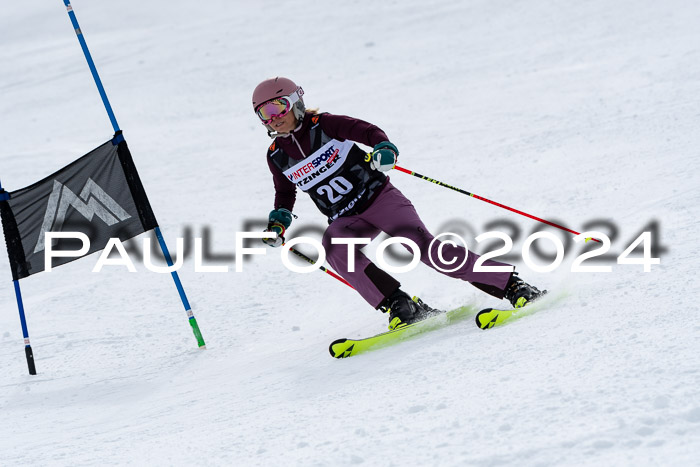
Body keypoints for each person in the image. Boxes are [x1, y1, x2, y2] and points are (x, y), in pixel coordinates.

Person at [254, 77, 545, 330]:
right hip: (346, 218)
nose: (272, 117)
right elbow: (285, 193)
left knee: (424, 249)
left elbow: (369, 132)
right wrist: (279, 222)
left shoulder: (326, 125)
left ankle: (512, 285)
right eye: (263, 113)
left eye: (277, 106)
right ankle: (400, 305)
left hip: (380, 199)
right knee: (335, 249)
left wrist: (384, 148)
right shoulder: (277, 155)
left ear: (295, 102)